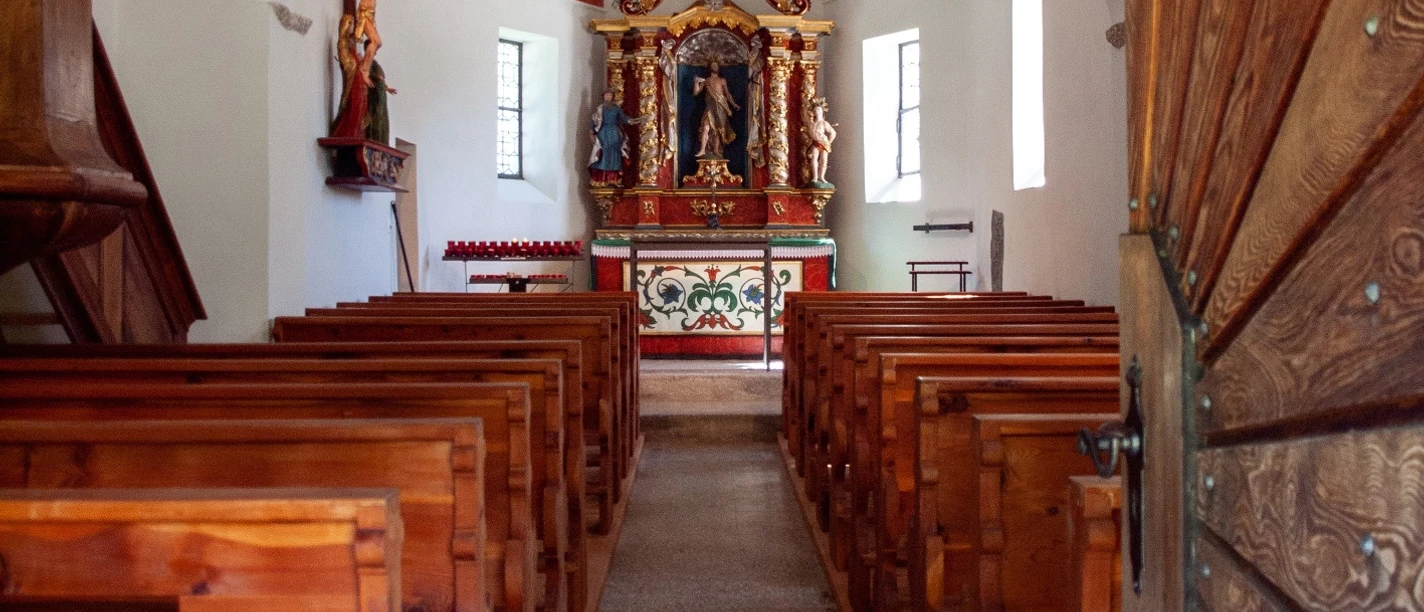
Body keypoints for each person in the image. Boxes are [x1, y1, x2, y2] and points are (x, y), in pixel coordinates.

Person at [589, 89, 644, 185]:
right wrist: (591, 134)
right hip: (604, 133)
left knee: (614, 154)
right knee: (603, 153)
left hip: (614, 133)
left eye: (610, 95)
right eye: (606, 95)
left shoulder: (616, 108)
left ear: (612, 97)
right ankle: (601, 179)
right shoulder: (600, 109)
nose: (608, 97)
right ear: (603, 96)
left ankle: (613, 178)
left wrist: (633, 120)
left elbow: (624, 118)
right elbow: (594, 123)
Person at [694, 61, 739, 158]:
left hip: (720, 107)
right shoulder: (706, 81)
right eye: (712, 65)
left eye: (716, 65)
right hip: (709, 107)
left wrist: (734, 104)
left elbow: (727, 94)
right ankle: (702, 150)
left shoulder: (722, 80)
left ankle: (715, 150)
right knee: (705, 128)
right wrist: (696, 83)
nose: (714, 66)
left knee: (718, 130)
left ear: (718, 67)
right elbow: (696, 93)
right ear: (709, 67)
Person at [808, 97, 838, 186]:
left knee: (823, 160)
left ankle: (822, 176)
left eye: (818, 110)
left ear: (821, 111)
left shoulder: (824, 123)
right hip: (815, 142)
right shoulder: (812, 123)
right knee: (814, 158)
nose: (816, 112)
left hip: (823, 142)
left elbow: (833, 133)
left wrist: (829, 142)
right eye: (815, 110)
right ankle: (815, 177)